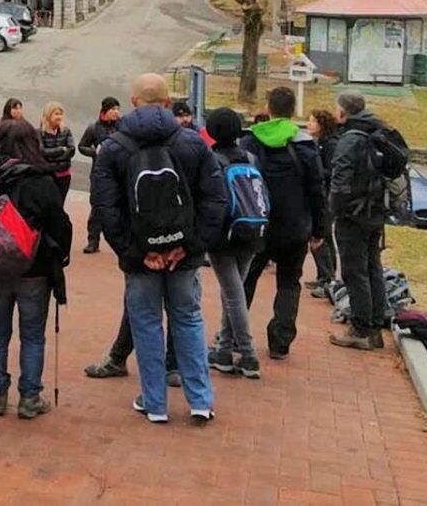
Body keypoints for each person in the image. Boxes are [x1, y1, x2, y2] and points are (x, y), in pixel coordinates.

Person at [91, 74, 226, 424]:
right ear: (168, 103)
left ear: (133, 102)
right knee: (189, 318)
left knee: (146, 324)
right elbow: (214, 199)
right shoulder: (193, 144)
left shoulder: (114, 148)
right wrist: (191, 245)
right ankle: (199, 399)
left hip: (141, 257)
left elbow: (107, 209)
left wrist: (134, 252)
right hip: (183, 254)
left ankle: (155, 403)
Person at [0, 119, 72, 419]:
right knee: (32, 335)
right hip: (35, 268)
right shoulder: (42, 182)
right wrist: (62, 256)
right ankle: (29, 397)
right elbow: (60, 225)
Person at [240, 87, 326, 361]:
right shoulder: (304, 145)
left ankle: (235, 335)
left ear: (268, 107)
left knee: (245, 279)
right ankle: (280, 341)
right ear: (293, 110)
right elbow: (316, 189)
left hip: (258, 223)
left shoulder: (251, 141)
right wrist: (319, 228)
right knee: (289, 282)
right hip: (295, 225)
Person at [203, 108, 263, 379]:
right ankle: (224, 350)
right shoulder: (250, 157)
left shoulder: (212, 160)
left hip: (224, 235)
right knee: (233, 291)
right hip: (251, 230)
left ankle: (248, 354)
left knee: (233, 294)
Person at [329, 93, 390, 351]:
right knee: (373, 268)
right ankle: (376, 324)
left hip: (354, 214)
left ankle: (361, 328)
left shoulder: (350, 139)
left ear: (343, 112)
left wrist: (335, 210)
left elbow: (340, 180)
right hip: (376, 210)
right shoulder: (377, 132)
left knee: (354, 271)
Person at [77, 97, 121, 254]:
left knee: (121, 205)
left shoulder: (122, 127)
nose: (116, 112)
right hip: (100, 172)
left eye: (118, 109)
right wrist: (94, 152)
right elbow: (81, 146)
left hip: (119, 172)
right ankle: (93, 240)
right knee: (97, 206)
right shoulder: (94, 128)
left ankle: (122, 242)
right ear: (105, 111)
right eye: (113, 109)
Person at [306, 109, 340, 297]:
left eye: (313, 121)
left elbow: (331, 171)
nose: (308, 124)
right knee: (321, 236)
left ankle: (328, 279)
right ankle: (323, 276)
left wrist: (315, 172)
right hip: (323, 194)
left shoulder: (330, 145)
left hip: (327, 196)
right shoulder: (320, 144)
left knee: (322, 237)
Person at [38, 102, 76, 202]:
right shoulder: (39, 133)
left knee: (60, 203)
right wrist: (60, 150)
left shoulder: (66, 131)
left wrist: (53, 157)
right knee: (47, 203)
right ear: (48, 115)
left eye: (60, 114)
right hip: (47, 174)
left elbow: (71, 150)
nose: (59, 117)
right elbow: (41, 152)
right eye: (56, 114)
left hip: (64, 174)